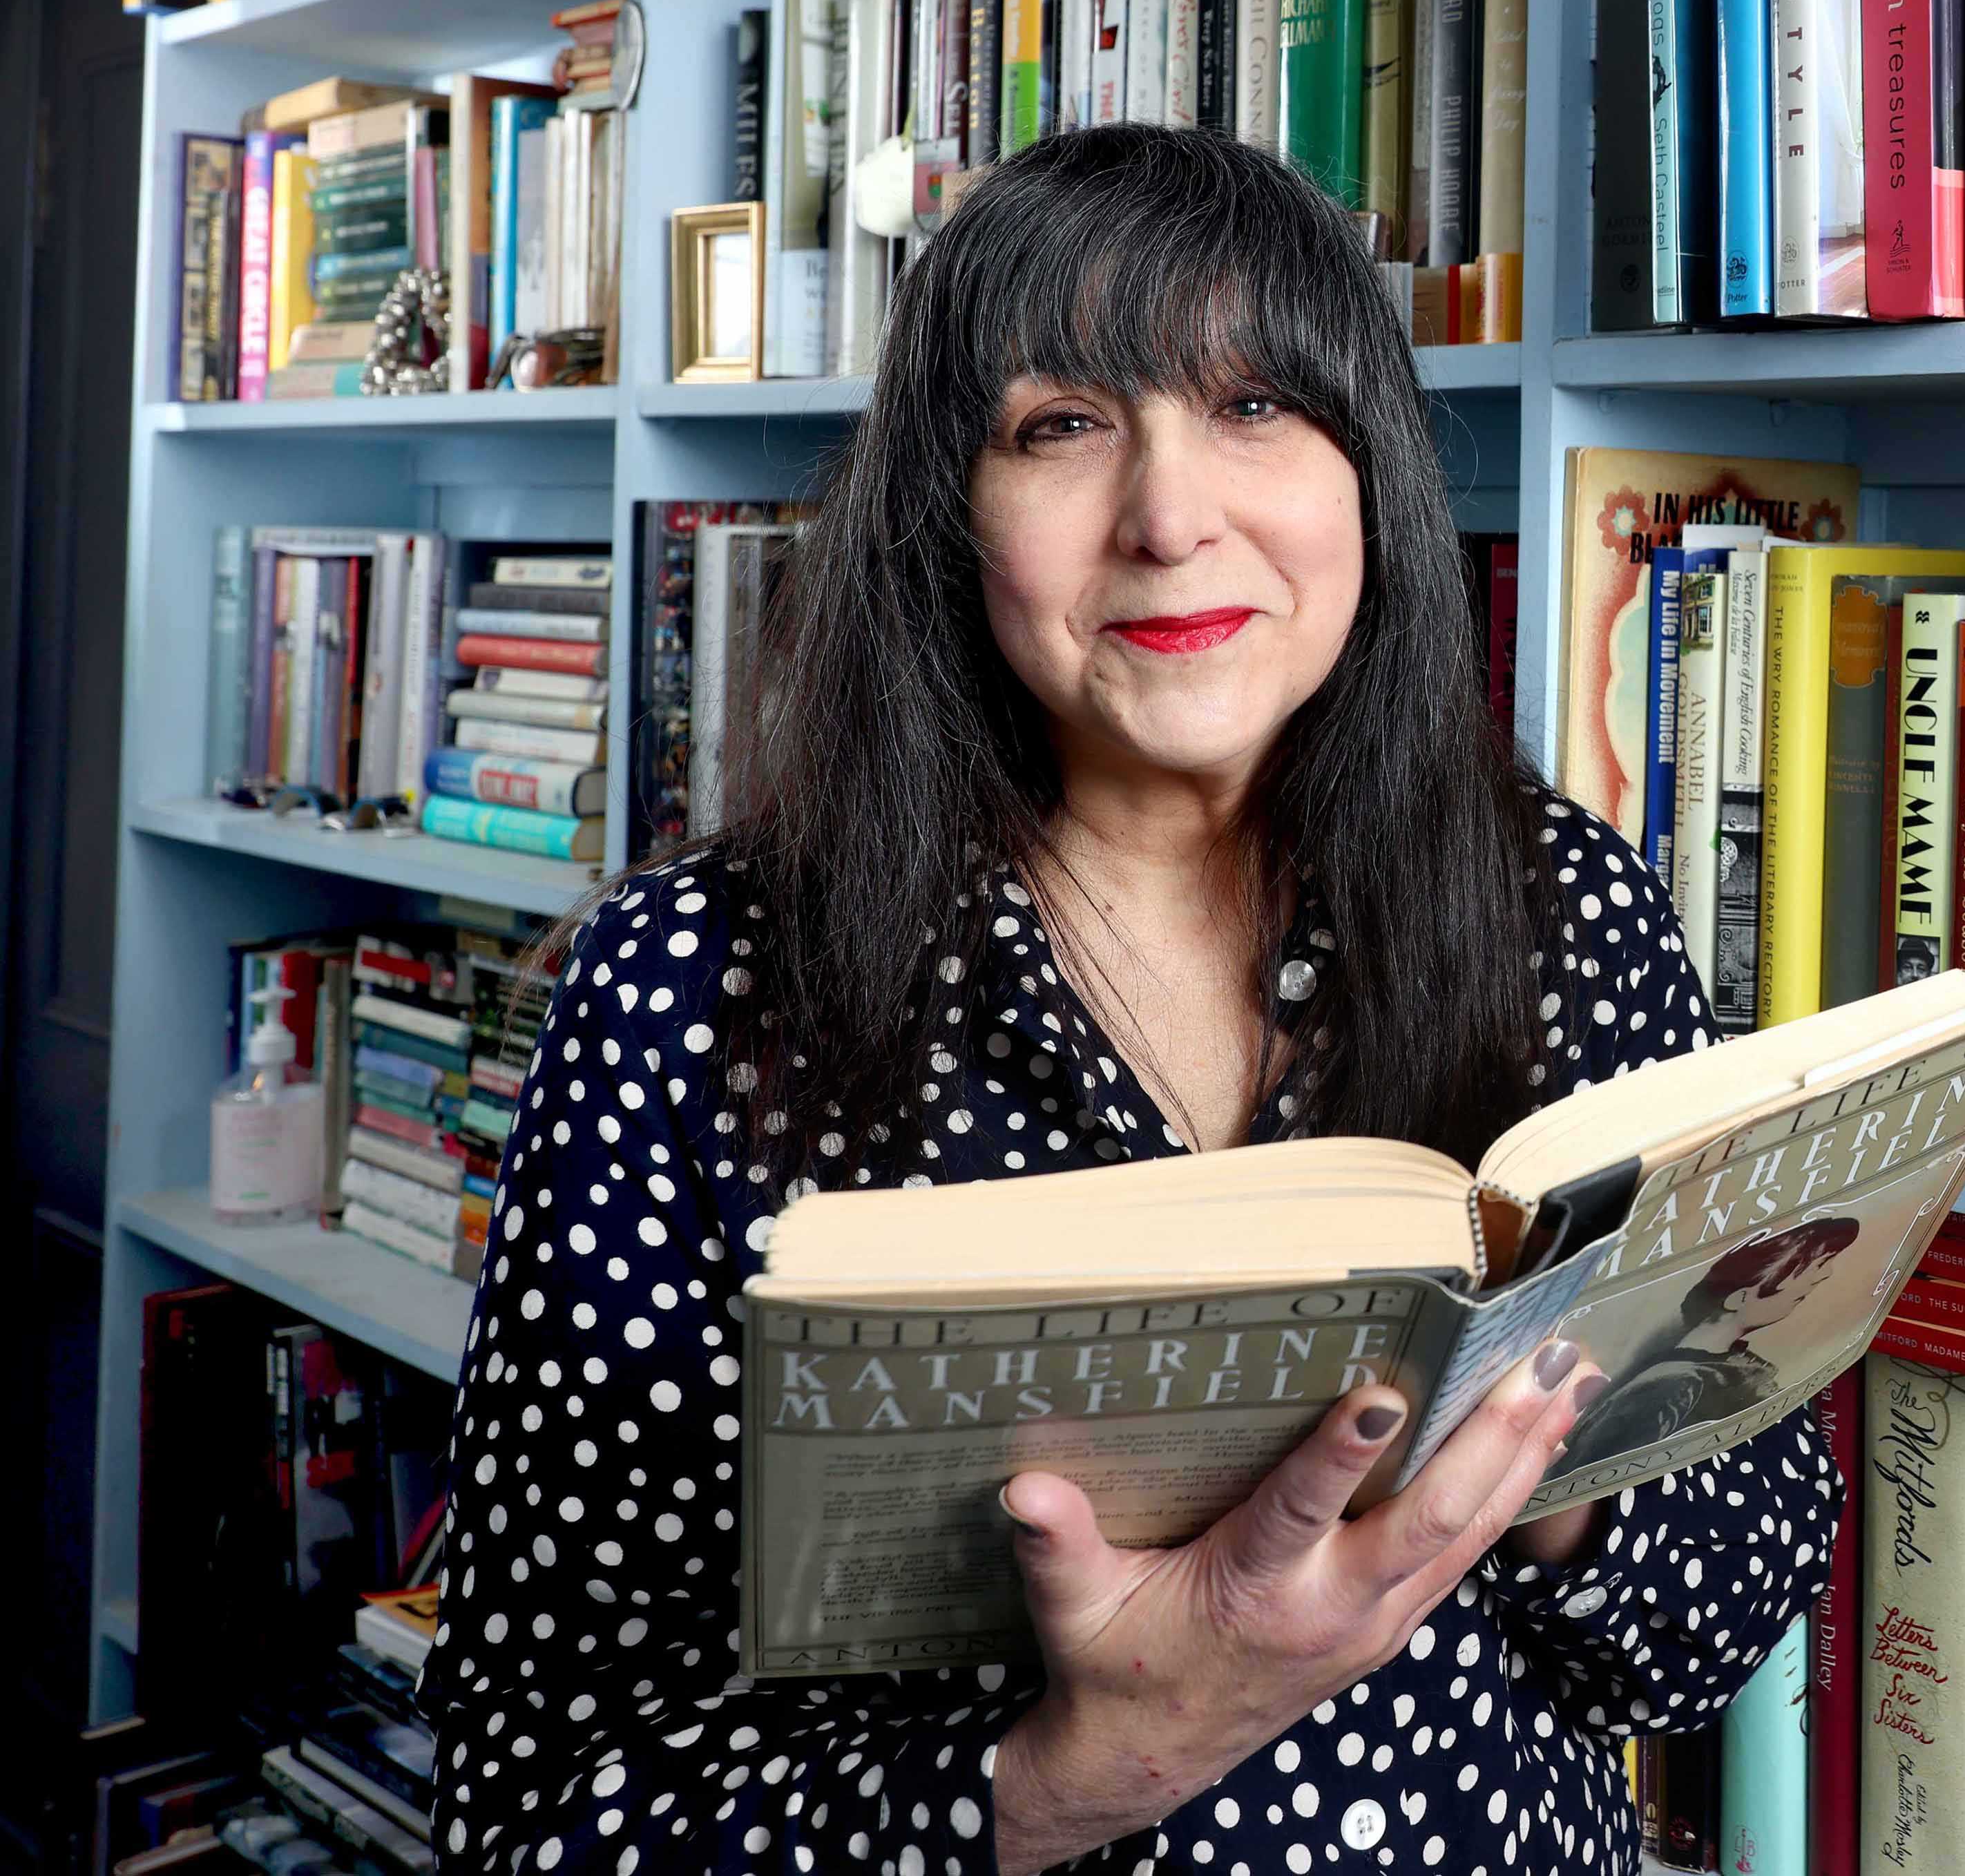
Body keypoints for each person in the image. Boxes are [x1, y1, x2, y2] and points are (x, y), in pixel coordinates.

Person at [427, 127, 1834, 1876]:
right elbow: (532, 1811)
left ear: (1370, 474)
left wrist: (1547, 1469)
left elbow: (1726, 1616)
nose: (1172, 515)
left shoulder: (1562, 905)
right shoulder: (682, 994)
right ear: (949, 506)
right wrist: (1086, 1761)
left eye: (1255, 406)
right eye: (1062, 424)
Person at [1565, 1216, 1864, 1462]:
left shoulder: (1730, 1364)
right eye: (1799, 1292)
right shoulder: (1671, 1385)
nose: (1825, 1276)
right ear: (1740, 1297)